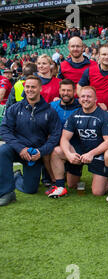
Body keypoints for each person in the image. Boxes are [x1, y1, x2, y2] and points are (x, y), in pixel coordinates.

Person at [0, 75, 61, 206]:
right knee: (2, 151)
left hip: (34, 154)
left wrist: (41, 151)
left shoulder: (50, 111)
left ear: (40, 88)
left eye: (33, 87)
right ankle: (6, 192)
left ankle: (17, 176)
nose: (30, 90)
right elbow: (4, 130)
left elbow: (56, 135)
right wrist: (20, 148)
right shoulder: (14, 108)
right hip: (17, 149)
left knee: (30, 189)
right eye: (27, 87)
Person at [47, 86, 108, 198]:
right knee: (57, 152)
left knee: (98, 192)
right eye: (83, 96)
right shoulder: (74, 115)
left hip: (98, 154)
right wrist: (69, 154)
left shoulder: (104, 116)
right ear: (79, 99)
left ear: (95, 99)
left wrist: (91, 153)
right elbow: (64, 138)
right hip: (80, 152)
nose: (85, 99)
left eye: (89, 96)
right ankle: (60, 187)